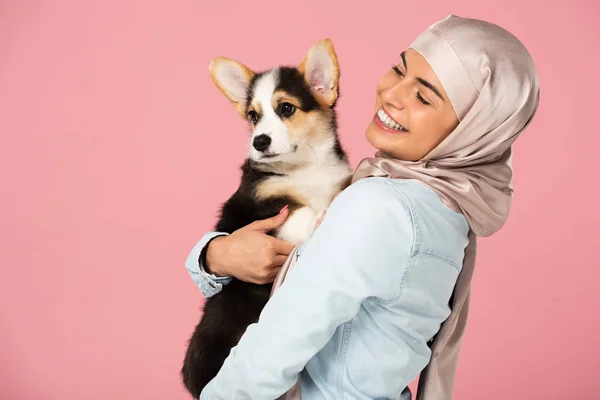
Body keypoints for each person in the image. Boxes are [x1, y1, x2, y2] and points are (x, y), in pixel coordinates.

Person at [184, 14, 540, 399]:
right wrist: (214, 256)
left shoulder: (377, 205)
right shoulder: (449, 206)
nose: (391, 94)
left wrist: (210, 258)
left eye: (423, 95)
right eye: (397, 70)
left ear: (472, 128)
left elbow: (278, 342)